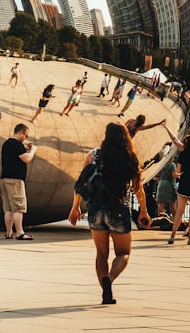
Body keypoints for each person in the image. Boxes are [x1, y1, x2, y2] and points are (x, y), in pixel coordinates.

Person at [68, 123, 151, 305]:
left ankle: (106, 291)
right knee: (123, 253)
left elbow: (81, 182)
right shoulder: (130, 157)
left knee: (101, 254)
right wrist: (143, 211)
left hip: (95, 209)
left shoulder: (95, 155)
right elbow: (139, 188)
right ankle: (110, 280)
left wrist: (75, 207)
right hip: (119, 210)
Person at [1, 124, 37, 240]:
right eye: (26, 135)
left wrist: (25, 149)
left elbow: (16, 155)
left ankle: (8, 232)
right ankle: (20, 233)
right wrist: (32, 151)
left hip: (5, 178)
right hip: (15, 179)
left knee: (8, 208)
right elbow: (26, 159)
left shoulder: (7, 143)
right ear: (21, 133)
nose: (25, 138)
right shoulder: (16, 144)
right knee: (18, 207)